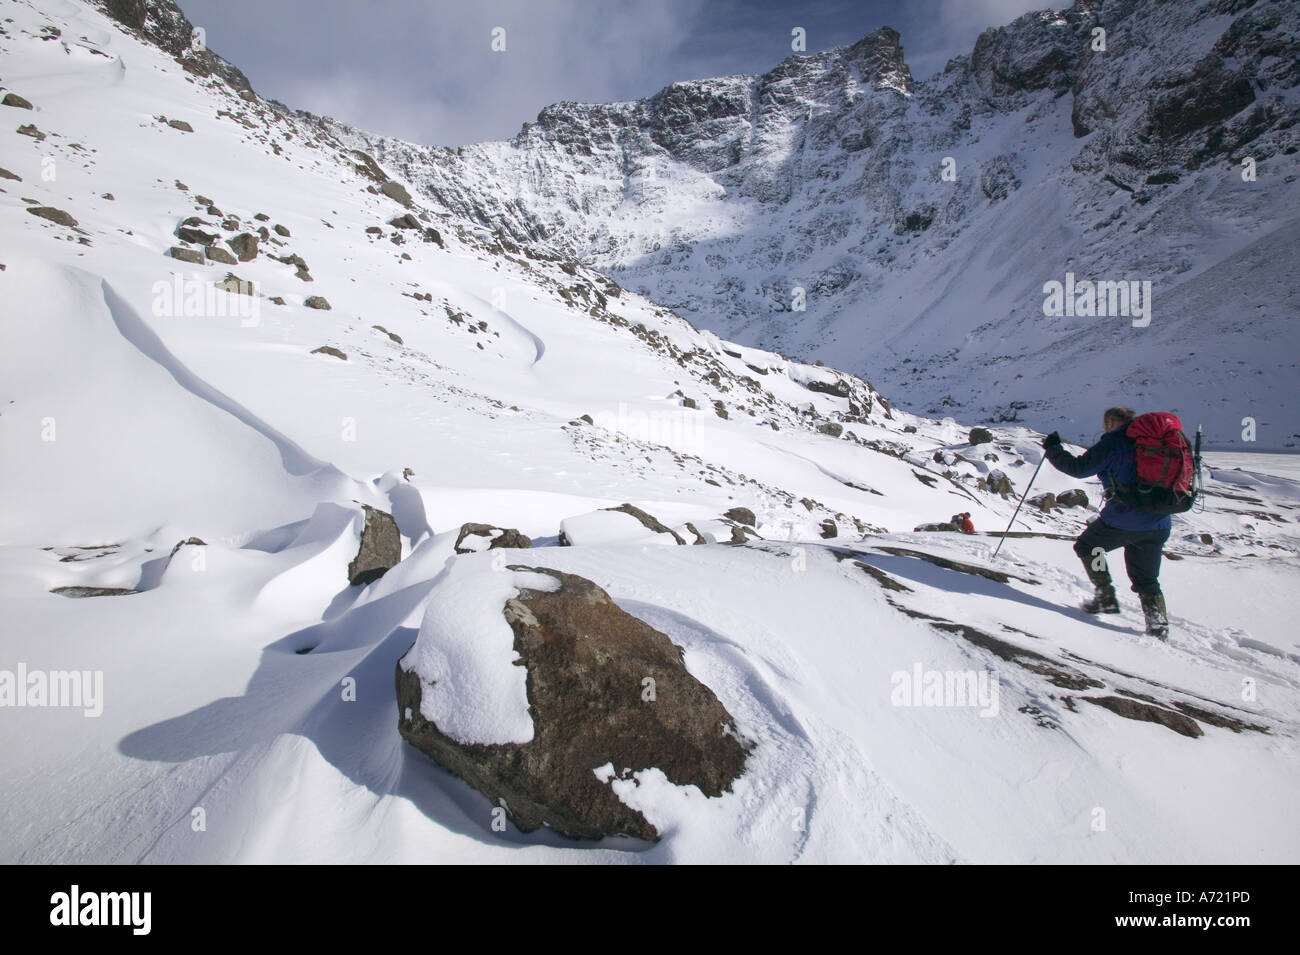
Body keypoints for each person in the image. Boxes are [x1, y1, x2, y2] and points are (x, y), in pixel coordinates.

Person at [1042, 407, 1170, 639]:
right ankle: (1157, 624)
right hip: (1159, 522)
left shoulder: (1113, 443)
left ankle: (1105, 595)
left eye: (1105, 424)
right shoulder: (1155, 443)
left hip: (1124, 519)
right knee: (1147, 578)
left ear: (1111, 422)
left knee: (1089, 547)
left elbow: (1078, 468)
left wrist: (1053, 449)